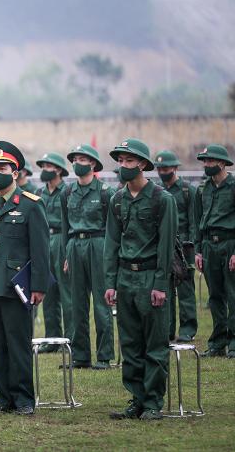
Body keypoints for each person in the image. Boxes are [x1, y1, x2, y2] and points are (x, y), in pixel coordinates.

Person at [0, 141, 49, 415]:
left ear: (15, 172)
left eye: (2, 168)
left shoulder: (30, 206)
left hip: (17, 287)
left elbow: (41, 250)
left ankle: (24, 400)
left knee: (18, 345)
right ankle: (4, 398)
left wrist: (39, 286)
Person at [105, 138, 177, 420]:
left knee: (155, 343)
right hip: (125, 277)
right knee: (131, 343)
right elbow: (111, 243)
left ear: (143, 165)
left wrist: (160, 285)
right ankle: (136, 399)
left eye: (129, 161)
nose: (123, 166)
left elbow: (166, 246)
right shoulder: (117, 199)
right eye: (120, 161)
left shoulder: (162, 199)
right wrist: (110, 282)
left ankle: (153, 403)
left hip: (150, 277)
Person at [61, 144, 115, 369]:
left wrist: (111, 257)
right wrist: (66, 254)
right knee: (76, 304)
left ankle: (104, 357)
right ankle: (80, 356)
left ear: (93, 163)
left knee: (102, 304)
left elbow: (112, 229)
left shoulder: (105, 192)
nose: (77, 164)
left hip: (98, 245)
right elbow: (65, 227)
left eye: (82, 159)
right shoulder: (67, 192)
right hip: (75, 245)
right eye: (75, 159)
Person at [194, 144, 235, 359]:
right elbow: (197, 221)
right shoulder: (203, 188)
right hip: (209, 245)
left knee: (233, 294)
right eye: (204, 161)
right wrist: (198, 251)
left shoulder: (233, 185)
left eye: (210, 161)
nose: (206, 164)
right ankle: (218, 343)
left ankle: (234, 343)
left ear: (221, 162)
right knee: (215, 296)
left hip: (230, 243)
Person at [154, 150, 198, 342]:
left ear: (175, 168)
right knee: (166, 289)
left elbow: (194, 221)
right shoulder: (157, 191)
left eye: (166, 168)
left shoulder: (188, 191)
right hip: (165, 246)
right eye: (160, 168)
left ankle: (188, 329)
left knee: (186, 289)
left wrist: (194, 247)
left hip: (184, 247)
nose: (163, 171)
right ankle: (168, 329)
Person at [35, 153, 72, 350]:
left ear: (58, 170)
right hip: (44, 241)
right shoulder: (39, 192)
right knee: (46, 292)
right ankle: (52, 339)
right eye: (43, 166)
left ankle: (71, 337)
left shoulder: (67, 191)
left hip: (61, 239)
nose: (44, 170)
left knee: (67, 293)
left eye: (48, 166)